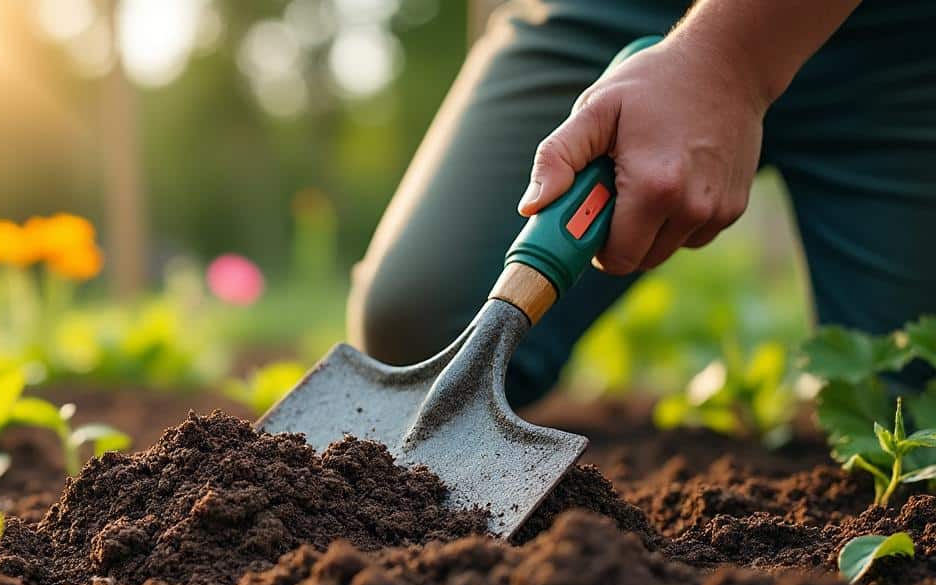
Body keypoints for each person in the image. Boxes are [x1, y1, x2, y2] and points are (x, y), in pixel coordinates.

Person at [347, 0, 936, 407]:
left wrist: (730, 60)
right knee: (419, 327)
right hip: (614, 14)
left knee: (910, 402)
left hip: (897, 43)